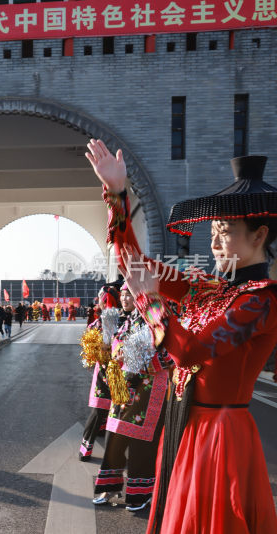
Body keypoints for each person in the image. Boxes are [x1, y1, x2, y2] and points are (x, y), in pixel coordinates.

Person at [87, 139, 277, 532]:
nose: (213, 241)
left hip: (220, 433)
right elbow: (133, 262)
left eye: (224, 232)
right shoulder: (207, 286)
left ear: (259, 236)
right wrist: (117, 194)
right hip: (185, 423)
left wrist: (149, 300)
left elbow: (191, 352)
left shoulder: (262, 302)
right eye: (213, 230)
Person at [92, 283, 171, 512]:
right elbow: (116, 346)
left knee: (140, 441)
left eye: (131, 293)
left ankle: (140, 492)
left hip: (148, 389)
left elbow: (168, 353)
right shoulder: (129, 319)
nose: (127, 298)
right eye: (124, 294)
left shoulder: (158, 314)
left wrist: (139, 365)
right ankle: (110, 485)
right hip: (123, 386)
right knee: (114, 435)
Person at [78, 286, 121, 462]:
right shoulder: (120, 321)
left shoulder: (102, 323)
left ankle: (86, 450)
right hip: (114, 371)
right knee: (110, 411)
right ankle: (110, 455)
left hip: (113, 371)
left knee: (103, 410)